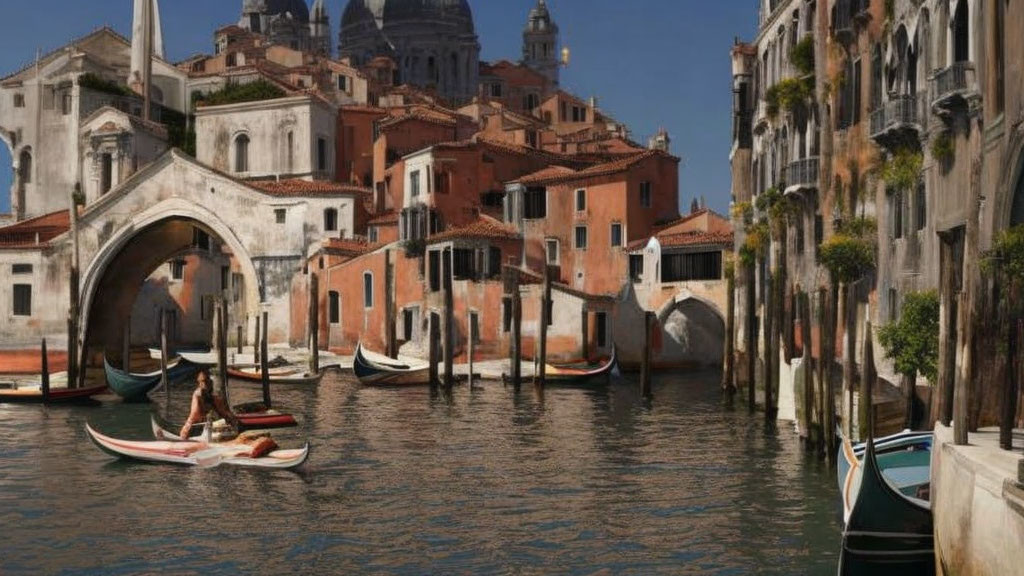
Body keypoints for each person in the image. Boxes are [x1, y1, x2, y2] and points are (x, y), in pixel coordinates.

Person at [180, 370, 240, 440]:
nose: (205, 383)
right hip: (201, 425)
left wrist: (231, 418)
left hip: (212, 425)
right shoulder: (198, 395)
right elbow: (194, 415)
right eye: (203, 381)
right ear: (199, 383)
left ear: (210, 381)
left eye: (207, 381)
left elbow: (222, 411)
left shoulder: (213, 396)